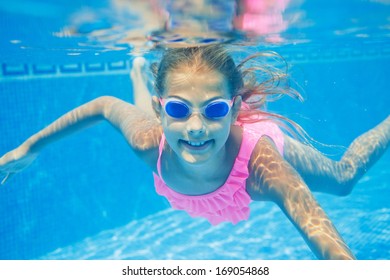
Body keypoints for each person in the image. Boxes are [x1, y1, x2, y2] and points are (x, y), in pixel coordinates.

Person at [0, 45, 388, 260]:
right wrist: (28, 148)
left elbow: (326, 240)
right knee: (149, 128)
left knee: (343, 180)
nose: (197, 127)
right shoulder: (149, 142)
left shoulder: (263, 168)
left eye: (216, 109)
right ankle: (140, 75)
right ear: (161, 109)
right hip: (158, 128)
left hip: (250, 153)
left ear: (234, 111)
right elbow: (102, 105)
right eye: (178, 109)